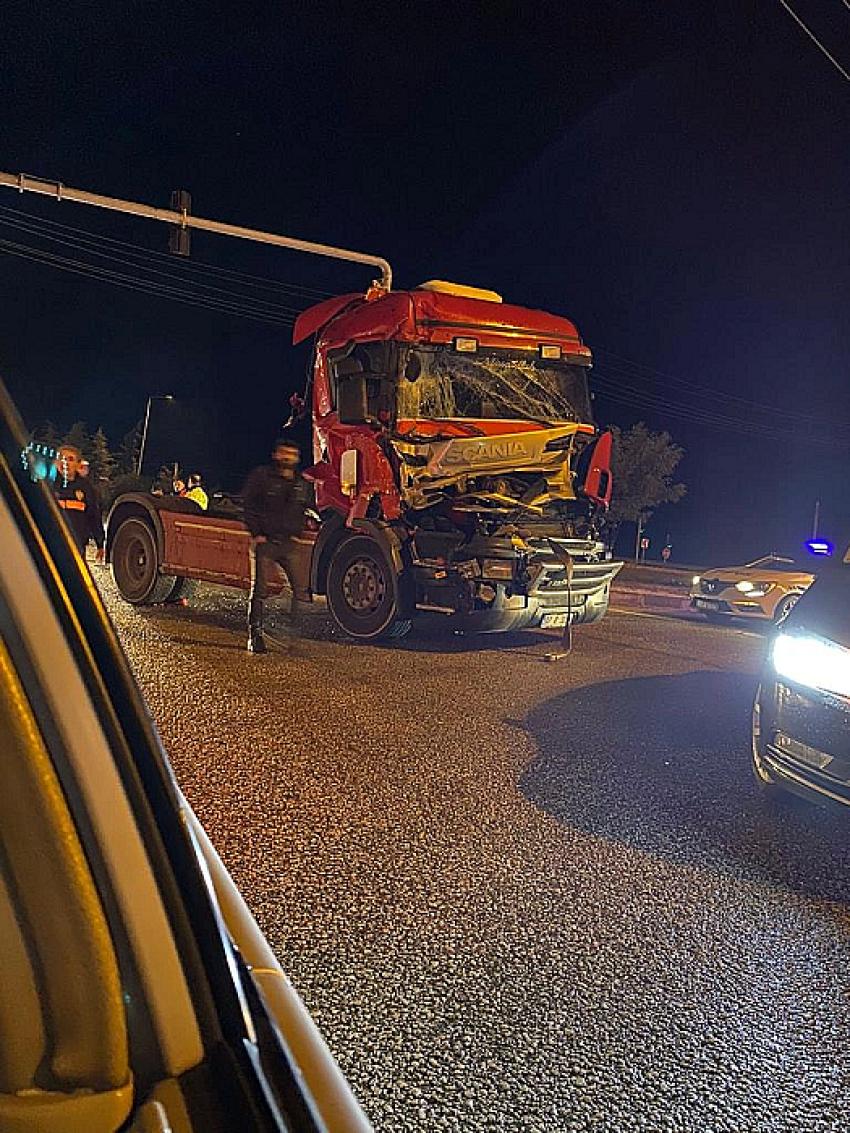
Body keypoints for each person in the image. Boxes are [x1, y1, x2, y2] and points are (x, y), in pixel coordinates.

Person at [242, 439, 311, 653]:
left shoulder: (301, 483)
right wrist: (257, 533)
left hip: (288, 543)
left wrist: (298, 533)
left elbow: (305, 508)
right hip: (265, 542)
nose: (288, 457)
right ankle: (255, 635)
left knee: (299, 590)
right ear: (275, 455)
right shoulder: (261, 477)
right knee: (259, 590)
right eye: (284, 453)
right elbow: (247, 505)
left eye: (292, 454)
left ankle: (292, 637)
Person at [52, 444, 105, 562]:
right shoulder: (48, 485)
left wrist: (100, 544)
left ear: (78, 464)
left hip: (77, 545)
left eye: (70, 459)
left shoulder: (85, 488)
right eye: (61, 458)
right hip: (52, 544)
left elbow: (94, 515)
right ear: (56, 462)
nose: (65, 462)